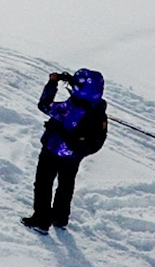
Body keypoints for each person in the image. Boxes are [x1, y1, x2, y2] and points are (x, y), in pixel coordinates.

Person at [22, 70, 108, 232]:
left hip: (54, 150)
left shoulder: (68, 109)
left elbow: (44, 105)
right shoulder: (97, 107)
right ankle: (60, 217)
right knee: (66, 184)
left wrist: (52, 83)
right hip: (75, 154)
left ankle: (41, 219)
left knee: (43, 183)